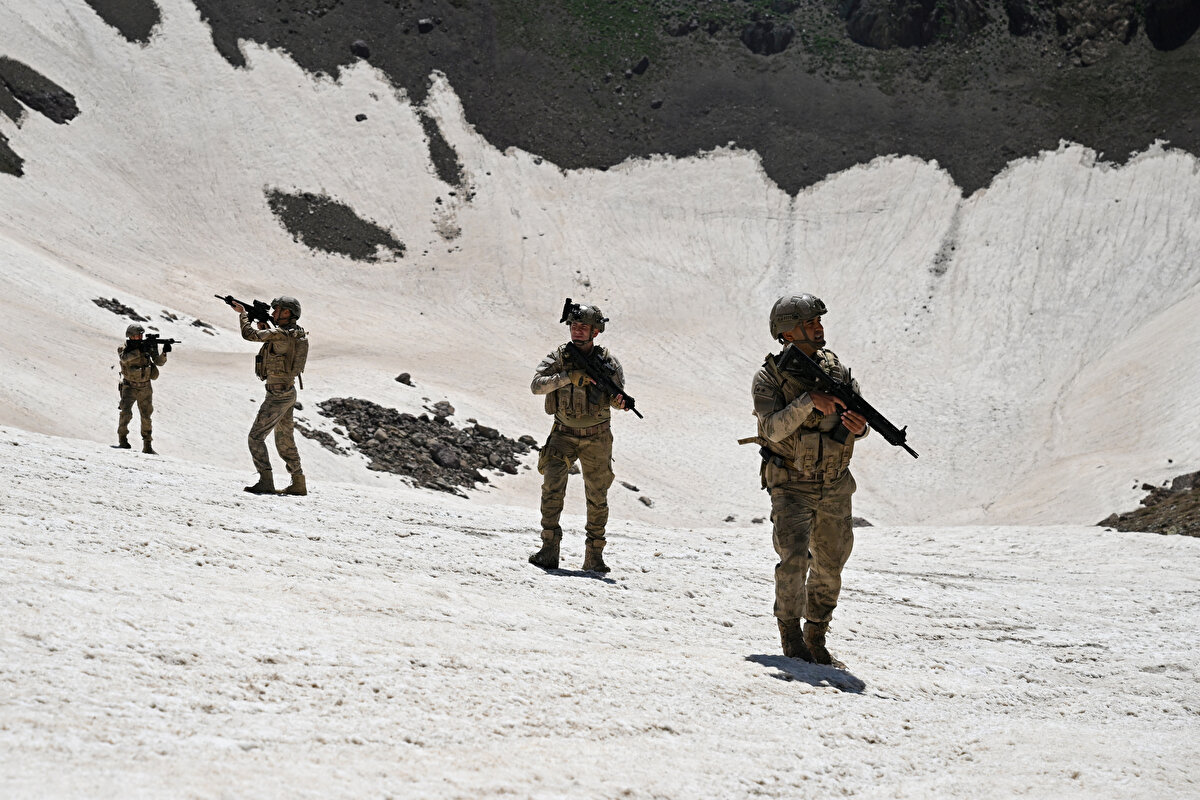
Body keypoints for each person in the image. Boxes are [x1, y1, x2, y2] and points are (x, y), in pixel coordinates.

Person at [745, 294, 870, 667]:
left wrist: (859, 428)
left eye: (819, 321)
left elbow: (858, 419)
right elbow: (770, 427)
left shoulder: (838, 371)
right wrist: (808, 403)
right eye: (810, 322)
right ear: (787, 331)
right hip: (791, 482)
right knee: (795, 559)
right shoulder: (769, 377)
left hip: (833, 481)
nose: (819, 327)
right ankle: (790, 634)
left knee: (831, 562)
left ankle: (817, 633)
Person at [529, 302, 628, 573]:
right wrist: (567, 378)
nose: (578, 331)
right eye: (574, 326)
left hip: (597, 437)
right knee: (552, 489)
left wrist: (621, 402)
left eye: (584, 327)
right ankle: (549, 549)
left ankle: (594, 555)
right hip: (563, 434)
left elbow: (617, 397)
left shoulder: (607, 362)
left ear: (596, 332)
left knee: (597, 495)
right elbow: (536, 385)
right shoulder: (559, 357)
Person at [231, 296, 309, 496]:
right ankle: (298, 482)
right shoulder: (295, 333)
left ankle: (266, 480)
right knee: (285, 439)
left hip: (277, 394)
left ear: (287, 313)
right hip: (287, 391)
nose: (274, 313)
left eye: (278, 310)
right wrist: (266, 326)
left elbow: (249, 334)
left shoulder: (281, 334)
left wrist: (243, 314)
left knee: (255, 437)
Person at [116, 323, 169, 454]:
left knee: (146, 417)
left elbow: (159, 362)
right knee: (125, 414)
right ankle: (122, 440)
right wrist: (140, 350)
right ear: (130, 336)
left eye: (140, 335)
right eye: (136, 335)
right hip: (129, 387)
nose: (139, 337)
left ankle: (147, 445)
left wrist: (164, 352)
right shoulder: (124, 348)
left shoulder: (147, 347)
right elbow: (124, 359)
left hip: (145, 387)